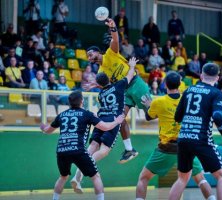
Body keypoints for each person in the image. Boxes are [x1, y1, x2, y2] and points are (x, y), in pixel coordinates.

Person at [136, 72, 216, 200]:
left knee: (143, 178)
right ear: (180, 85)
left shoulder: (159, 102)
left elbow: (148, 117)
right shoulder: (188, 100)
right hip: (188, 146)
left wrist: (148, 106)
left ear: (165, 84)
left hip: (166, 148)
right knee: (200, 179)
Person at [85, 18, 151, 163]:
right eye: (88, 57)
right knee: (119, 119)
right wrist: (96, 86)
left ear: (97, 52)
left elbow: (115, 39)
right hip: (124, 92)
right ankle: (129, 149)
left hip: (136, 83)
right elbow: (107, 87)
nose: (89, 58)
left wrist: (113, 27)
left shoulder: (111, 53)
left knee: (150, 114)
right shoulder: (100, 73)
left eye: (90, 54)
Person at [40, 90, 125, 200]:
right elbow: (106, 127)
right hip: (78, 150)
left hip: (61, 150)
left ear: (69, 103)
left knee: (63, 177)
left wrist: (42, 128)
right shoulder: (86, 114)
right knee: (95, 176)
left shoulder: (62, 115)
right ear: (82, 101)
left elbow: (48, 130)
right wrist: (117, 121)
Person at [70, 57, 139, 194]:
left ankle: (77, 176)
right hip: (112, 121)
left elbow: (104, 86)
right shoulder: (118, 86)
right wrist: (131, 65)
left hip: (100, 120)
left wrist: (97, 85)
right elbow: (130, 76)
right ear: (108, 79)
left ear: (99, 85)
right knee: (104, 151)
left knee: (92, 147)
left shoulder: (101, 95)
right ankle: (83, 169)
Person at [168, 63, 222, 200]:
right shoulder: (216, 93)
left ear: (201, 75)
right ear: (217, 78)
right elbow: (217, 116)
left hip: (184, 138)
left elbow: (177, 117)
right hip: (202, 139)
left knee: (182, 178)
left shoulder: (188, 90)